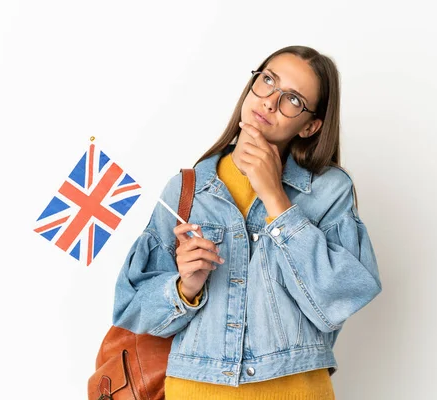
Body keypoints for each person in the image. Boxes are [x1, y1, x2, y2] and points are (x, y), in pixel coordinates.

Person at [112, 45, 382, 399]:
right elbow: (131, 309)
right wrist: (184, 288)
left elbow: (340, 298)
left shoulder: (329, 190)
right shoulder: (186, 190)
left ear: (310, 126)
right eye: (268, 81)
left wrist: (277, 200)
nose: (270, 101)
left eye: (293, 100)